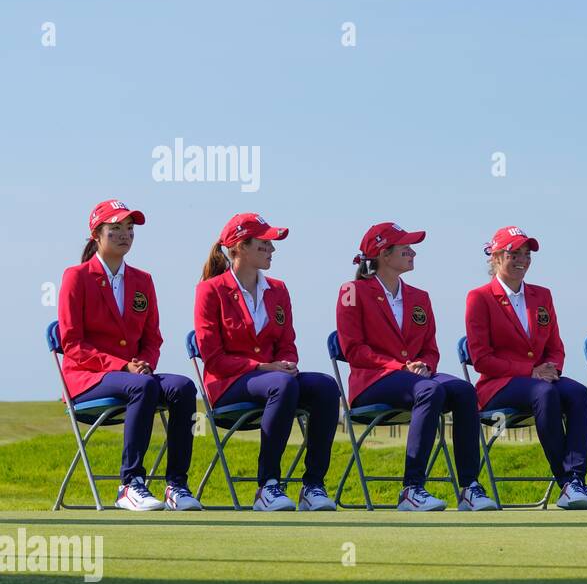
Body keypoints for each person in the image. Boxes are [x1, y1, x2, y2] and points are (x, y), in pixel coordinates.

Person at [337, 222, 499, 512]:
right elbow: (354, 350)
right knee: (430, 391)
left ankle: (469, 488)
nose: (412, 252)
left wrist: (424, 364)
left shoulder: (420, 297)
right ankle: (412, 489)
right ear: (384, 254)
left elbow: (430, 349)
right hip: (372, 382)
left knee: (463, 390)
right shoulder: (351, 291)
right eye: (405, 248)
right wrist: (400, 366)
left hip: (416, 379)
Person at [57, 199, 200, 511]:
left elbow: (152, 338)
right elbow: (72, 344)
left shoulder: (143, 280)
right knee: (143, 386)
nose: (125, 235)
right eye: (116, 229)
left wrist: (144, 363)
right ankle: (130, 483)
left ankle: (176, 484)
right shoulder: (76, 277)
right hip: (88, 377)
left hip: (134, 376)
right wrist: (124, 365)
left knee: (184, 387)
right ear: (96, 234)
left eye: (130, 229)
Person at [194, 213, 341, 512]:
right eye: (264, 244)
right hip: (228, 384)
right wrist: (263, 368)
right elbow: (213, 357)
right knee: (282, 384)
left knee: (325, 386)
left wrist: (286, 363)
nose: (272, 250)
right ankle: (268, 485)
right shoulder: (211, 290)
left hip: (274, 379)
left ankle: (313, 485)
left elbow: (287, 342)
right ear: (239, 248)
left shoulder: (279, 289)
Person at [466, 226, 587, 510]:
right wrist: (530, 370)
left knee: (578, 393)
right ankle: (567, 483)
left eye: (526, 254)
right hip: (498, 386)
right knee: (544, 393)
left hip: (541, 381)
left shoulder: (542, 295)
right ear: (494, 257)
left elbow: (555, 346)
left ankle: (577, 480)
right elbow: (482, 359)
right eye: (513, 253)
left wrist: (551, 368)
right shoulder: (479, 298)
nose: (522, 260)